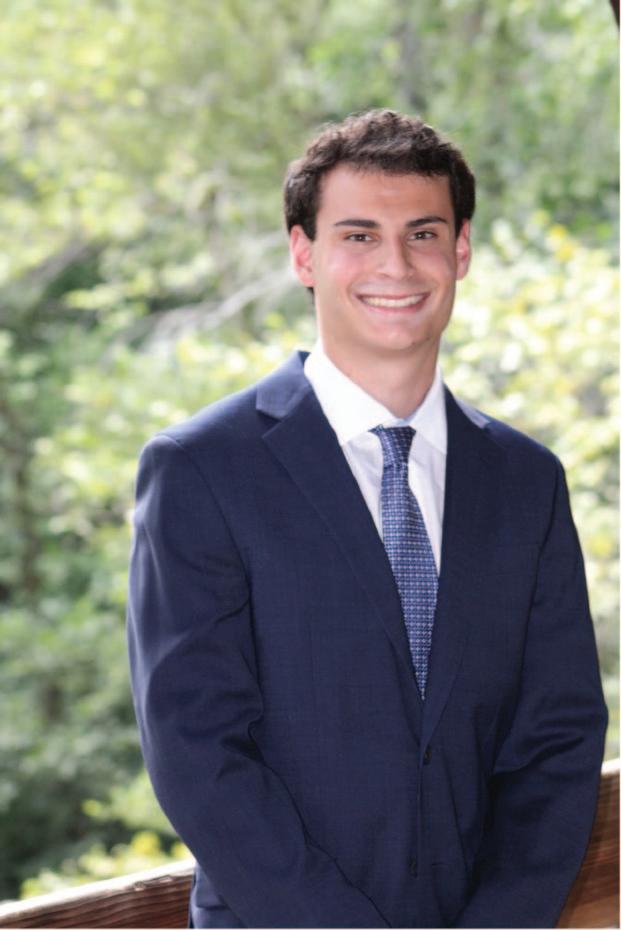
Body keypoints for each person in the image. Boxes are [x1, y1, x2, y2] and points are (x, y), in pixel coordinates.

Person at [127, 110, 607, 929]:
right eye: (358, 235)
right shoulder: (202, 469)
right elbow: (197, 752)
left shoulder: (526, 481)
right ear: (303, 254)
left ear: (460, 251)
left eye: (423, 234)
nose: (395, 264)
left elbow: (556, 741)